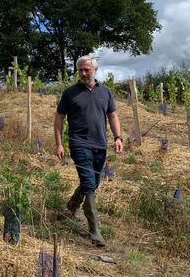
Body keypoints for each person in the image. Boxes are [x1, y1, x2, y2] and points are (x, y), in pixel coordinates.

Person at [54, 55, 123, 247]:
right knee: (88, 183)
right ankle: (95, 231)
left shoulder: (106, 92)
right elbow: (59, 118)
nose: (83, 73)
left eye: (87, 70)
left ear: (95, 70)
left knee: (94, 181)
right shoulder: (70, 93)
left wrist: (118, 137)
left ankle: (72, 205)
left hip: (100, 145)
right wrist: (59, 143)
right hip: (78, 144)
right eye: (80, 70)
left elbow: (113, 116)